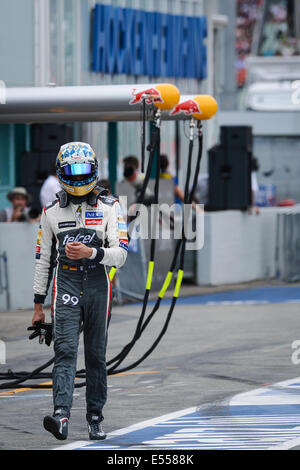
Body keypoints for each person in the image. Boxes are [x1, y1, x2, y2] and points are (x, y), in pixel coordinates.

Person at [32, 142, 128, 441]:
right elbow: (42, 260)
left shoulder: (111, 206)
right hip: (67, 284)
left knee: (96, 355)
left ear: (94, 170)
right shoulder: (49, 212)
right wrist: (38, 304)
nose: (77, 176)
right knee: (65, 351)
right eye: (71, 171)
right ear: (61, 173)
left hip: (99, 285)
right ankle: (61, 415)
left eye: (83, 170)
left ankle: (95, 417)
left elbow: (121, 254)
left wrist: (90, 252)